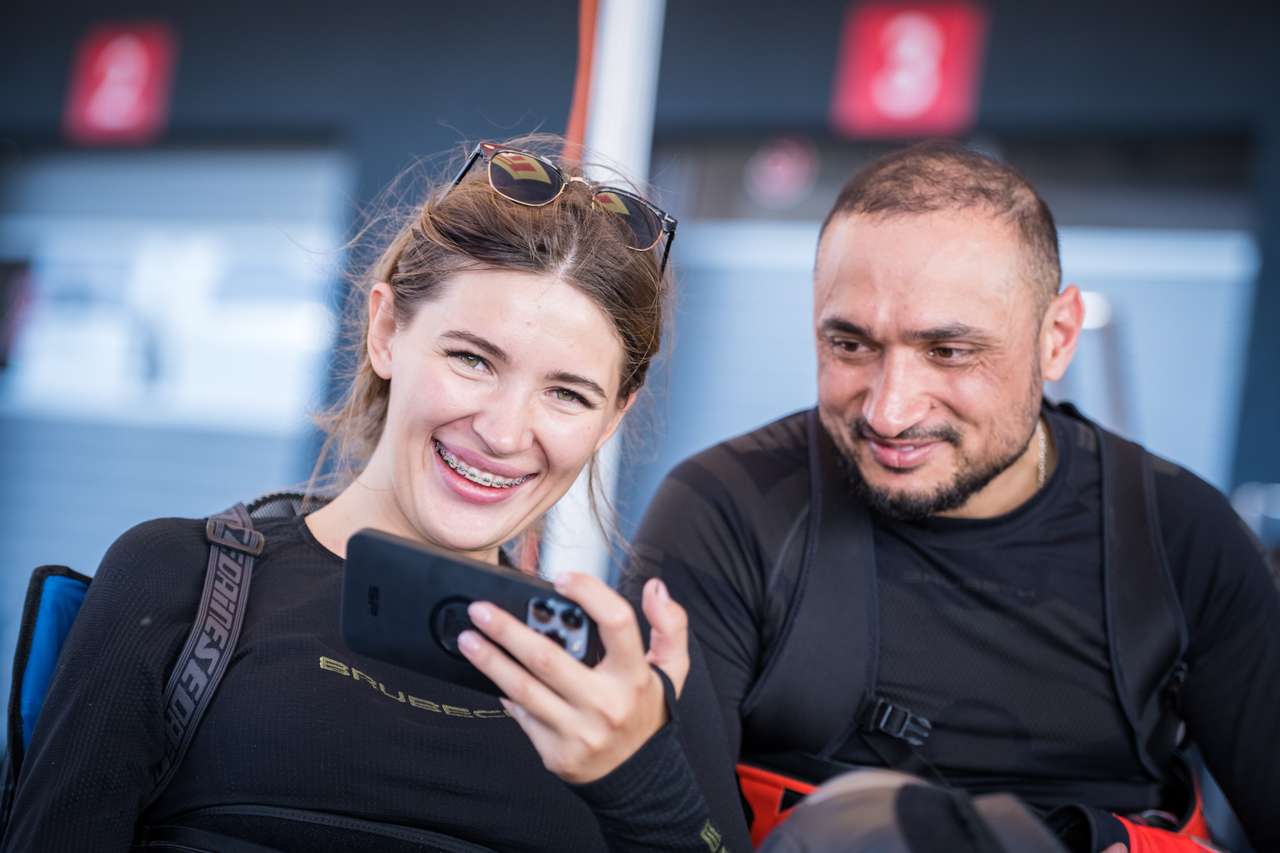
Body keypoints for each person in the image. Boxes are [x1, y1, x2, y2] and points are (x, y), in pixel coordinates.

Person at [2, 137, 751, 853]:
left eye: (567, 393)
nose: (503, 432)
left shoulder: (622, 688)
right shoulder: (181, 582)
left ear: (613, 417)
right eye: (473, 359)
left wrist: (642, 780)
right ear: (386, 329)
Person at [629, 142, 1280, 851]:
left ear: (1057, 338)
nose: (888, 411)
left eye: (948, 351)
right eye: (851, 345)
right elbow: (674, 830)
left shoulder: (1182, 538)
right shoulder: (727, 513)